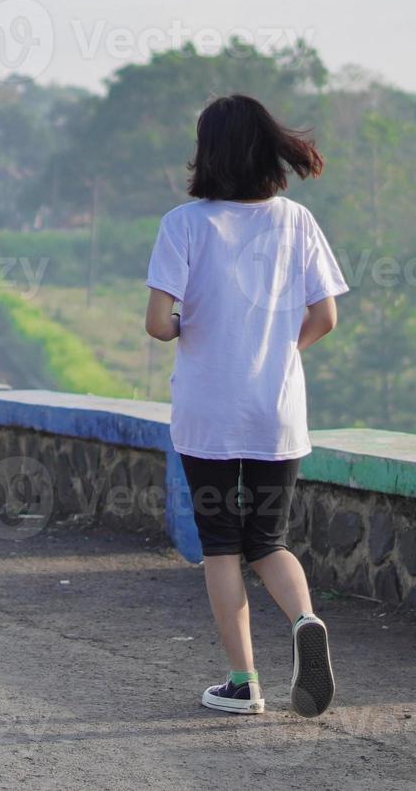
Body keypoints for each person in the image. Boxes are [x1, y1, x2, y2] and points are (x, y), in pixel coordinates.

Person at [144, 93, 348, 718]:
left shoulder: (185, 224)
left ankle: (243, 683)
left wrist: (189, 326)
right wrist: (283, 351)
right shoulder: (296, 220)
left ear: (207, 152)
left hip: (207, 413)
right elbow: (326, 316)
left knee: (222, 546)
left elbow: (157, 324)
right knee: (269, 538)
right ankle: (305, 619)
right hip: (275, 411)